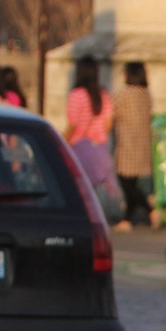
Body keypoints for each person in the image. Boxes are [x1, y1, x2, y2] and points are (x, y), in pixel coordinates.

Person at [65, 56, 122, 222]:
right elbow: (108, 123)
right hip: (100, 147)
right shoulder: (103, 95)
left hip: (79, 147)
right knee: (100, 186)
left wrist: (63, 141)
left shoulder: (76, 95)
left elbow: (73, 124)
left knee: (80, 187)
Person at [112, 61, 159, 232]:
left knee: (126, 182)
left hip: (127, 142)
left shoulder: (123, 94)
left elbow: (112, 114)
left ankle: (150, 210)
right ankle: (127, 218)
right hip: (142, 143)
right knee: (131, 183)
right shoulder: (146, 94)